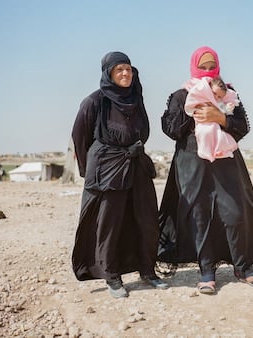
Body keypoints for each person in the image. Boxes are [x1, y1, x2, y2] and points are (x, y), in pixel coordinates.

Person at [158, 46, 253, 294]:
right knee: (199, 216)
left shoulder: (228, 93)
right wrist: (198, 112)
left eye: (212, 66)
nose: (209, 71)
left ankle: (242, 267)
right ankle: (206, 271)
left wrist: (219, 117)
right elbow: (172, 130)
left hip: (226, 163)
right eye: (204, 66)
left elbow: (242, 127)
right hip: (192, 163)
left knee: (235, 213)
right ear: (194, 67)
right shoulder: (181, 95)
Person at [71, 51, 168, 298]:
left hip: (135, 164)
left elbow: (142, 131)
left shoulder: (137, 99)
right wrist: (90, 170)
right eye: (119, 70)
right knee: (109, 223)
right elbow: (80, 138)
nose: (126, 74)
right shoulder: (94, 101)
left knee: (145, 220)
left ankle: (147, 270)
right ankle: (111, 275)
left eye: (129, 69)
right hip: (107, 169)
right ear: (109, 74)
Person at [184, 75, 239, 162]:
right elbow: (191, 104)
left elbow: (223, 111)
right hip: (202, 124)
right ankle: (205, 152)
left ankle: (219, 151)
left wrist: (228, 108)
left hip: (215, 125)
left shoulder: (219, 102)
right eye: (214, 93)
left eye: (220, 97)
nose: (216, 97)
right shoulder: (201, 96)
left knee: (220, 136)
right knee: (204, 133)